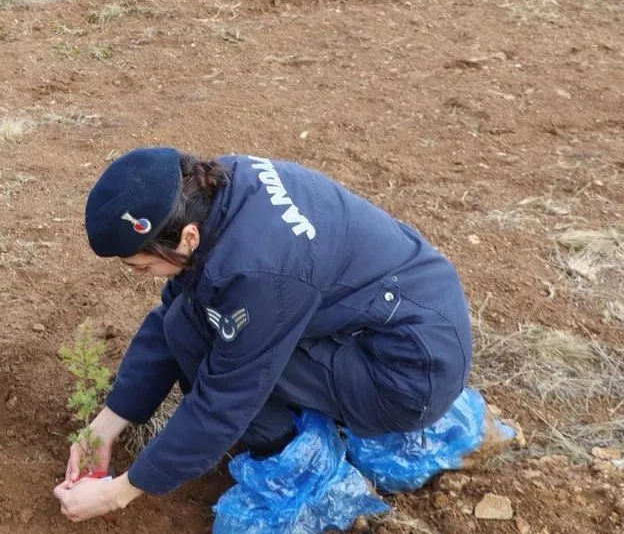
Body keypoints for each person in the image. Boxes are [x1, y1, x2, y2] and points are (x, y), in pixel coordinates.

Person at [53, 147, 506, 527]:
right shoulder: (215, 191)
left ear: (186, 236)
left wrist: (119, 492)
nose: (145, 277)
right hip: (401, 314)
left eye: (143, 265)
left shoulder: (256, 272)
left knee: (209, 340)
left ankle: (294, 466)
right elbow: (175, 307)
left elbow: (222, 403)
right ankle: (309, 422)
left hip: (408, 373)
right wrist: (105, 427)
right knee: (188, 321)